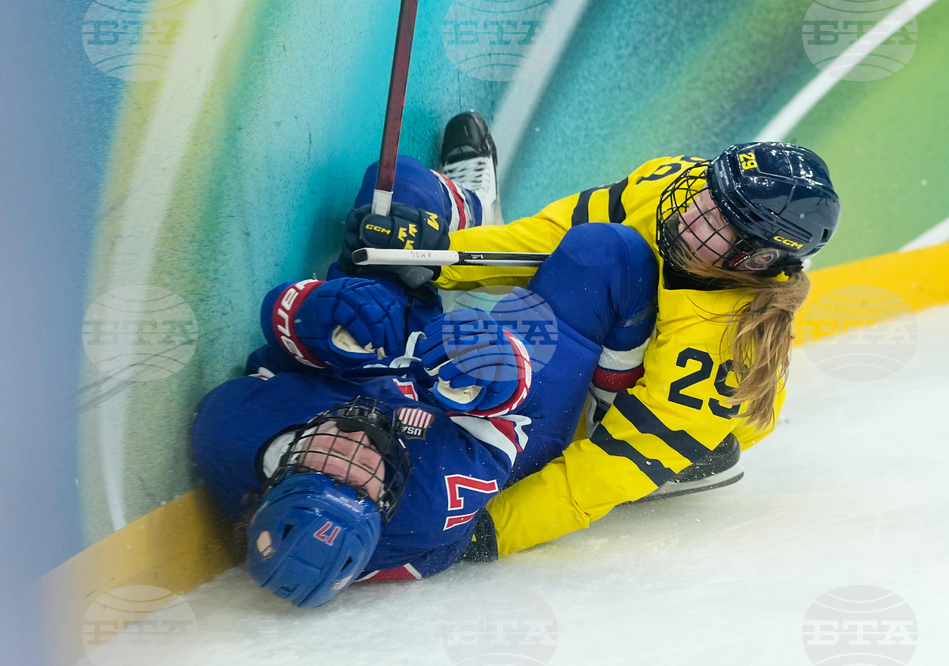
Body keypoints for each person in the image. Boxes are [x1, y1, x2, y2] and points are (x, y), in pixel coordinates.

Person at [339, 112, 841, 561]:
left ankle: (670, 454)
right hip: (590, 329)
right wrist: (436, 258)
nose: (692, 210)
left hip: (635, 425)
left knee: (608, 251)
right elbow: (547, 236)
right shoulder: (675, 187)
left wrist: (488, 530)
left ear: (753, 259)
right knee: (397, 190)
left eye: (715, 221)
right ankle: (380, 325)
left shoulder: (724, 349)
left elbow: (614, 464)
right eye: (707, 192)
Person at [191, 192, 661, 606]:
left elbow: (280, 339)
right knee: (607, 253)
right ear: (387, 505)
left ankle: (475, 201)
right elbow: (510, 424)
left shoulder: (229, 431)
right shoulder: (430, 505)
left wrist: (318, 314)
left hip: (378, 367)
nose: (351, 444)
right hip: (486, 423)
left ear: (276, 478)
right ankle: (611, 409)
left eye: (321, 465)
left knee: (394, 201)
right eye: (358, 482)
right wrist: (497, 366)